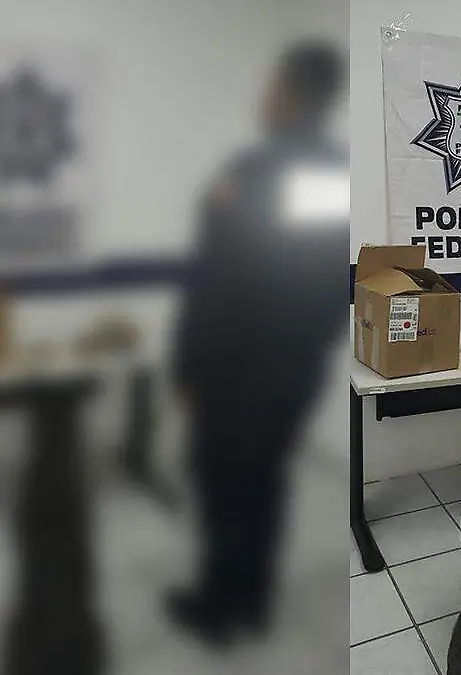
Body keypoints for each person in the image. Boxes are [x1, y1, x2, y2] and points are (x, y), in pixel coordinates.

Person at [168, 41, 349, 646]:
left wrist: (189, 367)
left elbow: (218, 284)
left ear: (291, 94)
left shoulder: (251, 172)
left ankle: (217, 608)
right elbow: (328, 282)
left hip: (234, 371)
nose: (263, 97)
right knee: (264, 482)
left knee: (224, 485)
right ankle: (251, 601)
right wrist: (306, 356)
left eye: (272, 85)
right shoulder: (330, 176)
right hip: (292, 371)